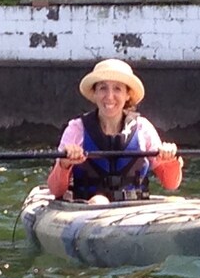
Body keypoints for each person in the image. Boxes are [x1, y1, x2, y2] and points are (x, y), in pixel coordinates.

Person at [47, 58, 182, 204]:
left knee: (177, 201)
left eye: (117, 88)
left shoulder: (143, 128)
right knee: (99, 201)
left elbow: (171, 185)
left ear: (127, 95)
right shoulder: (76, 129)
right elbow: (56, 191)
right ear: (95, 94)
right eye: (103, 88)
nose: (109, 97)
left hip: (134, 208)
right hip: (88, 210)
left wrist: (169, 160)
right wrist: (64, 164)